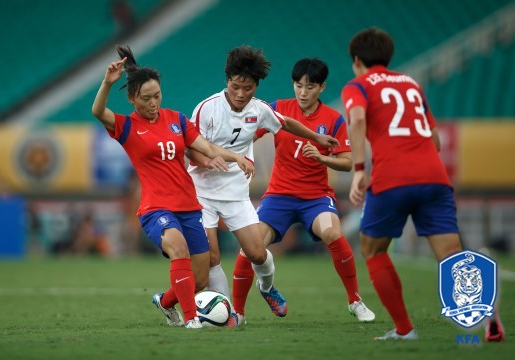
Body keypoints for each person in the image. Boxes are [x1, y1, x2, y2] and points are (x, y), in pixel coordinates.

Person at [92, 45, 254, 329]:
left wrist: (234, 156)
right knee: (178, 248)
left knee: (200, 279)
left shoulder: (177, 119)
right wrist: (107, 83)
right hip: (156, 208)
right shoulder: (127, 127)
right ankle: (191, 319)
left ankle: (166, 302)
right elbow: (97, 111)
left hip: (190, 207)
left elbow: (204, 146)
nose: (153, 102)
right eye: (146, 98)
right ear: (132, 99)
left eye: (157, 95)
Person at [187, 46, 338, 325]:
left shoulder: (260, 110)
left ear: (255, 86)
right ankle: (229, 315)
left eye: (247, 88)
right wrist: (209, 162)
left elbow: (287, 123)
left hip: (235, 195)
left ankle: (267, 288)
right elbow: (191, 149)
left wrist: (317, 139)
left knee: (257, 252)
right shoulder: (207, 108)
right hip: (201, 193)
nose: (241, 93)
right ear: (227, 81)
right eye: (235, 86)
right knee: (212, 256)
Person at [230, 57, 375, 322]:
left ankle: (355, 300)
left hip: (316, 197)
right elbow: (249, 134)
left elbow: (346, 162)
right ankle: (237, 313)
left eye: (310, 86)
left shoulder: (333, 119)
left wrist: (322, 158)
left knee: (333, 232)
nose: (303, 92)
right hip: (279, 196)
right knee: (250, 247)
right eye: (298, 85)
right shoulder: (278, 109)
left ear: (322, 87)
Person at [341, 27, 464, 340]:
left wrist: (358, 169)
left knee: (372, 249)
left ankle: (404, 329)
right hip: (434, 176)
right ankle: (487, 326)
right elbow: (434, 139)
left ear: (357, 60)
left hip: (392, 177)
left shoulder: (358, 85)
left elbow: (356, 119)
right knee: (452, 254)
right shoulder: (411, 83)